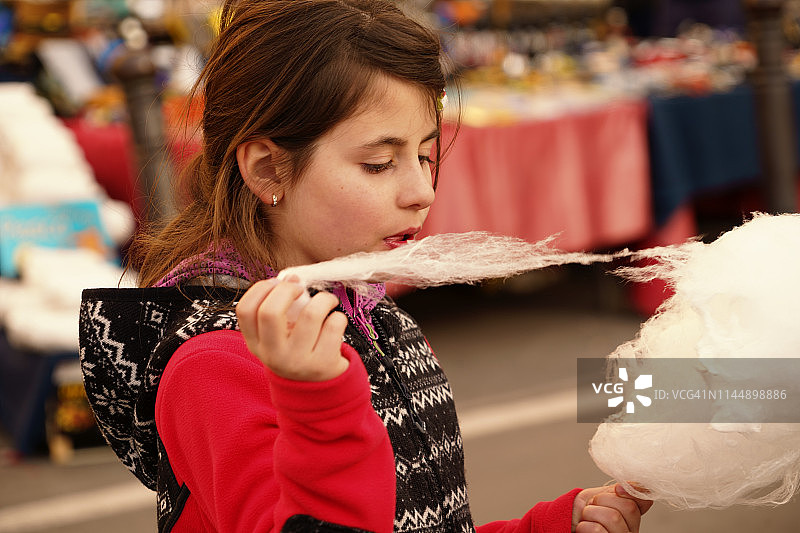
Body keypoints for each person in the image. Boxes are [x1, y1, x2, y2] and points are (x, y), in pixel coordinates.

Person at [79, 1, 653, 531]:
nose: (421, 191)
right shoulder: (215, 365)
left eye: (426, 154)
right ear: (267, 170)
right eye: (380, 163)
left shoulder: (376, 318)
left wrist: (548, 527)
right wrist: (317, 397)